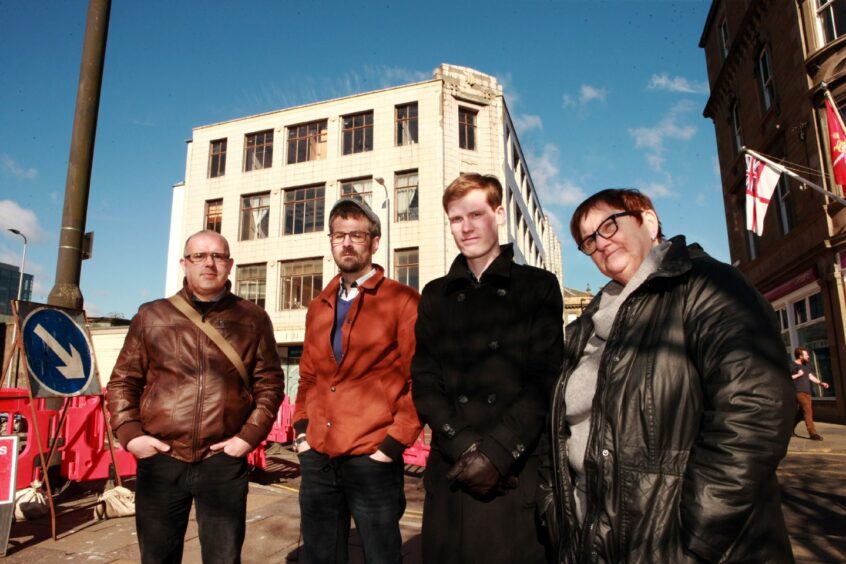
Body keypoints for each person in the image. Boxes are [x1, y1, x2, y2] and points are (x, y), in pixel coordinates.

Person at [546, 188, 795, 562]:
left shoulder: (706, 286)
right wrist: (556, 510)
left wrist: (696, 540)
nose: (600, 243)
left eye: (609, 225)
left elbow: (755, 413)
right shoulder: (586, 325)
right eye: (588, 240)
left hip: (678, 545)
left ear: (647, 220)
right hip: (595, 540)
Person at [412, 173, 564, 564]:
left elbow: (545, 379)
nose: (466, 228)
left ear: (498, 213)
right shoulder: (434, 294)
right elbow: (425, 382)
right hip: (454, 472)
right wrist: (464, 446)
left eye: (476, 214)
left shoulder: (538, 287)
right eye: (455, 219)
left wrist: (495, 454)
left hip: (513, 474)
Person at [107, 230, 285, 564]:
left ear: (230, 264)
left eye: (217, 256)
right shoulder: (152, 315)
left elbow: (270, 385)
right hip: (161, 457)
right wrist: (131, 436)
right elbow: (122, 382)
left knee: (223, 557)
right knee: (157, 557)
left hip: (223, 460)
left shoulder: (253, 318)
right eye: (199, 256)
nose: (209, 263)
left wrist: (247, 438)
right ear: (184, 264)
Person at [293, 198, 422, 564]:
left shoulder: (403, 300)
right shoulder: (319, 305)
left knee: (381, 556)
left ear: (375, 242)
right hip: (318, 456)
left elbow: (422, 381)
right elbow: (307, 377)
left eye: (356, 235)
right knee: (320, 556)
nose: (346, 243)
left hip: (373, 457)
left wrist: (392, 446)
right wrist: (302, 433)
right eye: (338, 235)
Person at [792, 347, 830, 441]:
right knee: (808, 410)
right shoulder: (792, 365)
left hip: (807, 391)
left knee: (802, 413)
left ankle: (789, 429)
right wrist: (798, 374)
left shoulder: (806, 365)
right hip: (799, 391)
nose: (808, 356)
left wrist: (820, 383)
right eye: (806, 355)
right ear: (800, 356)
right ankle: (813, 433)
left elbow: (810, 376)